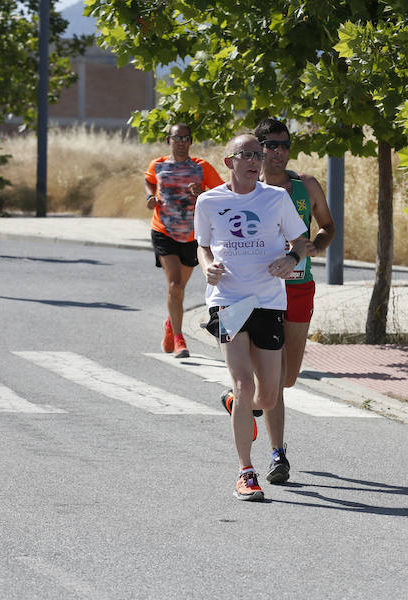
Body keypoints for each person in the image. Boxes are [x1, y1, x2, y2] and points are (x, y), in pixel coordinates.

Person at [195, 134, 308, 501]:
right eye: (246, 155)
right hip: (229, 301)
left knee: (269, 397)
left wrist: (291, 259)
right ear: (229, 161)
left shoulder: (276, 198)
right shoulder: (209, 201)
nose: (254, 161)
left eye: (257, 155)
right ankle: (246, 472)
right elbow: (203, 245)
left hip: (269, 301)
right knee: (244, 385)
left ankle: (236, 405)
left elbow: (301, 242)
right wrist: (208, 267)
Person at [246, 117, 336, 484]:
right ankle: (277, 454)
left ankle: (243, 402)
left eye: (285, 145)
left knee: (288, 378)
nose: (279, 152)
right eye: (272, 145)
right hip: (260, 292)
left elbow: (328, 226)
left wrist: (319, 245)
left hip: (299, 287)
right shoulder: (245, 188)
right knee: (271, 374)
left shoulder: (306, 186)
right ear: (259, 147)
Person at [144, 123, 224, 358]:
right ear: (168, 140)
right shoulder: (158, 165)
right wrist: (150, 195)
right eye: (176, 137)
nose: (180, 142)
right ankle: (180, 339)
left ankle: (171, 324)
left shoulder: (201, 168)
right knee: (174, 285)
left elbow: (222, 193)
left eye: (185, 138)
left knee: (180, 289)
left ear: (190, 141)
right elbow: (149, 180)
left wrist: (203, 192)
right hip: (164, 230)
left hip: (192, 234)